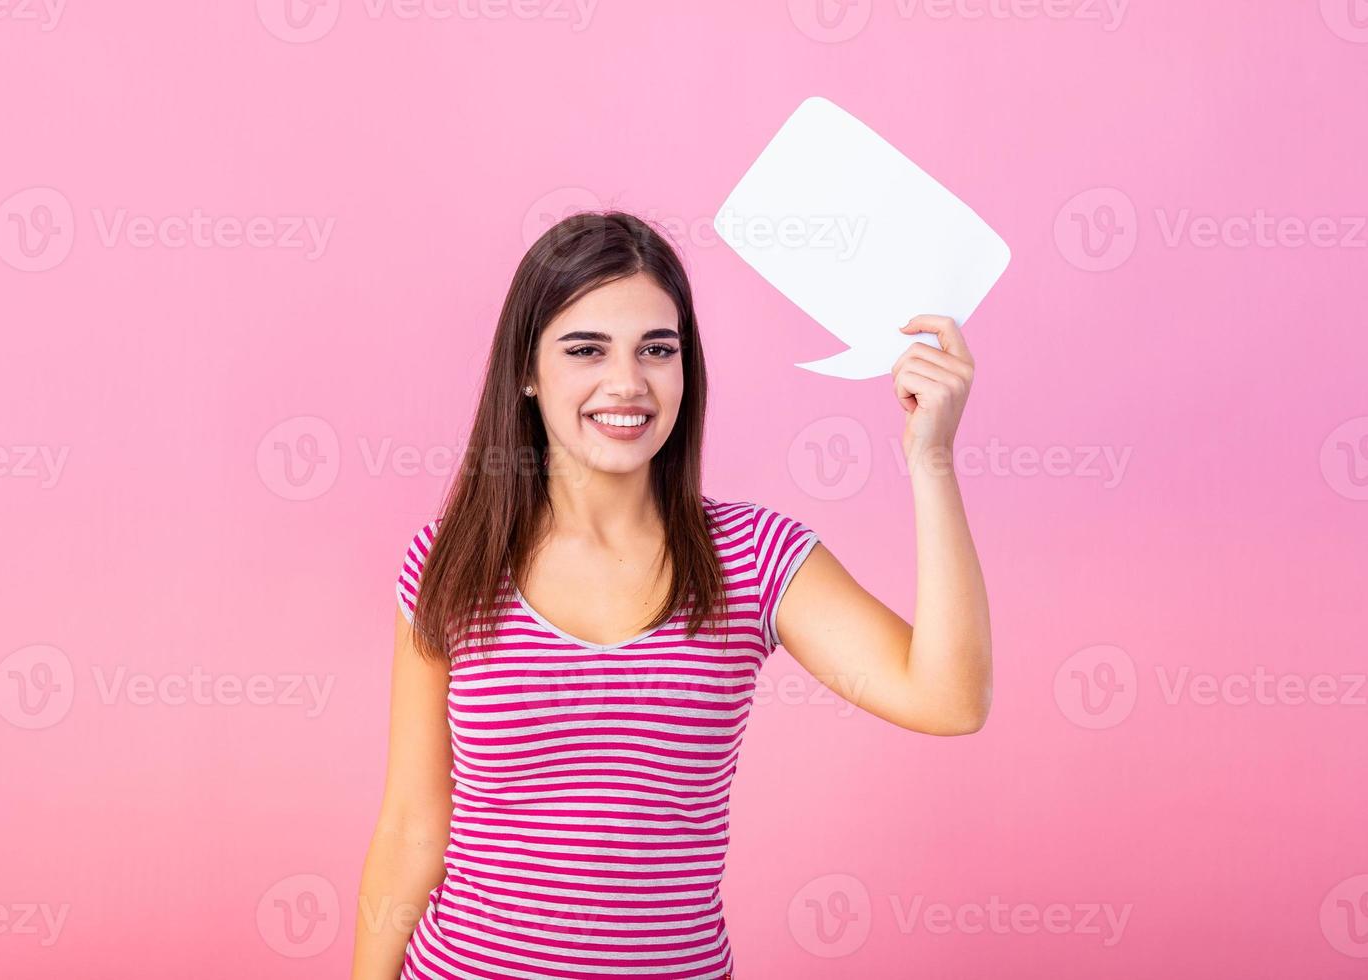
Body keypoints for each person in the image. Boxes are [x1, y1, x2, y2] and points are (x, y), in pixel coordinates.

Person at [351, 211, 992, 979]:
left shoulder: (752, 559)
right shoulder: (449, 567)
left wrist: (933, 460)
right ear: (527, 371)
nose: (627, 383)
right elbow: (413, 827)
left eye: (658, 349)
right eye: (586, 349)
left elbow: (950, 698)